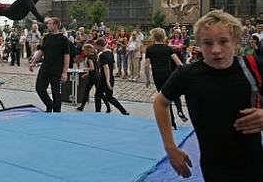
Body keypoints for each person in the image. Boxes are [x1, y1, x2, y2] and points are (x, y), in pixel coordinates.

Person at [153, 10, 263, 181]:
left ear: (235, 40)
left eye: (223, 41)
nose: (216, 50)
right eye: (207, 43)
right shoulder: (187, 74)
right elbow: (160, 102)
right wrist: (170, 147)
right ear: (198, 45)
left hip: (255, 163)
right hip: (214, 167)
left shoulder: (253, 66)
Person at [144, 28, 188, 129]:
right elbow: (179, 64)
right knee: (175, 92)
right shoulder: (168, 48)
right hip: (168, 74)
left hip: (157, 76)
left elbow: (146, 65)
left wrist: (147, 79)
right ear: (163, 37)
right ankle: (180, 110)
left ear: (153, 37)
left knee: (164, 99)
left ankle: (172, 123)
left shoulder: (149, 49)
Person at [29, 17, 70, 112]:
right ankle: (49, 104)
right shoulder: (47, 37)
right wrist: (33, 62)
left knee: (56, 94)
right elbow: (41, 51)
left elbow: (66, 56)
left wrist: (65, 72)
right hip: (45, 68)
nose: (48, 25)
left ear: (55, 25)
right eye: (48, 23)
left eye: (50, 23)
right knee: (39, 88)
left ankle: (56, 114)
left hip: (57, 70)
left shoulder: (63, 39)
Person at [94, 38, 129, 115]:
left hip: (104, 78)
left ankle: (97, 113)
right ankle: (124, 111)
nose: (95, 47)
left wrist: (107, 80)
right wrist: (110, 77)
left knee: (97, 96)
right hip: (110, 77)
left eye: (96, 46)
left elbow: (106, 67)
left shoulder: (102, 55)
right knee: (109, 97)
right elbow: (113, 66)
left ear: (99, 46)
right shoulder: (110, 52)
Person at [76, 44, 110, 112]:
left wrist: (85, 69)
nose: (83, 52)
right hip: (96, 76)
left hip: (93, 77)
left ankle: (82, 107)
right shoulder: (95, 56)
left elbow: (92, 68)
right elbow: (95, 68)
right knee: (98, 93)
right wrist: (86, 74)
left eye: (84, 50)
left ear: (87, 50)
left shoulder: (89, 58)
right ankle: (108, 107)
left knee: (87, 92)